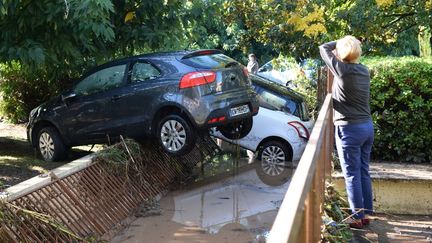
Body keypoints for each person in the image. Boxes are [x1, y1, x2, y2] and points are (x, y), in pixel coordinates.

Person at [319, 36, 374, 229]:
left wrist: (341, 40)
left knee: (351, 174)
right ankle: (366, 213)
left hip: (350, 129)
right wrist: (351, 42)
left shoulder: (342, 70)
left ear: (342, 53)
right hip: (367, 126)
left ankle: (357, 217)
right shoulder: (364, 71)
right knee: (363, 170)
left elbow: (323, 48)